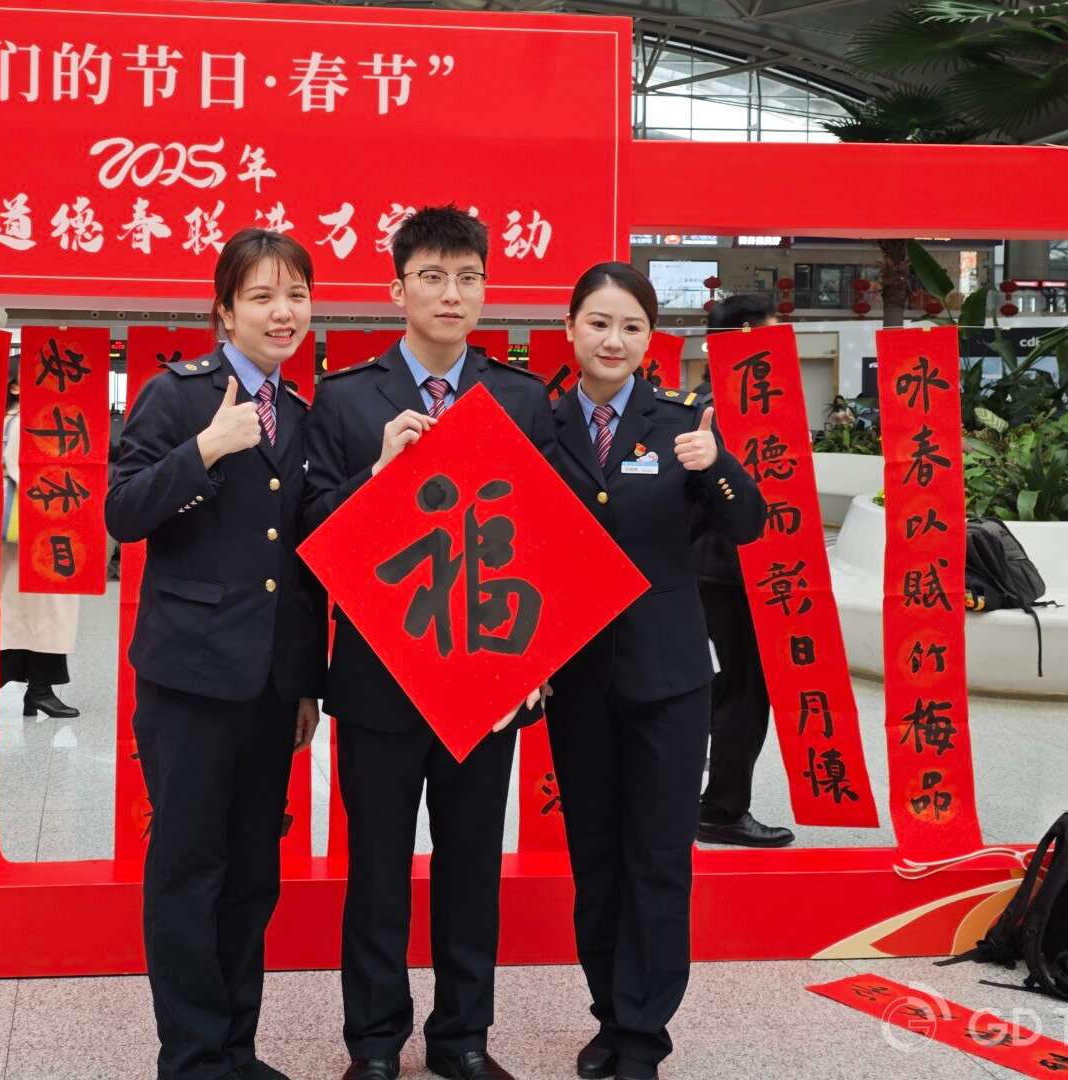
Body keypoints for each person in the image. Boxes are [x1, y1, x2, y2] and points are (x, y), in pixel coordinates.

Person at [303, 205, 552, 1080]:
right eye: (434, 276)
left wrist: (535, 666)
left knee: (470, 868)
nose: (454, 294)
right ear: (397, 288)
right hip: (378, 677)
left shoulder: (522, 398)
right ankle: (372, 1044)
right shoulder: (344, 399)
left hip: (485, 677)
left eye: (470, 277)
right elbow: (313, 539)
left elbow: (548, 542)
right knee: (375, 869)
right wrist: (377, 478)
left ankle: (462, 1039)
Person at [109, 227, 325, 1080]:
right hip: (191, 678)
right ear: (225, 309)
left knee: (251, 878)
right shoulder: (175, 395)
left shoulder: (301, 413)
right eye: (264, 296)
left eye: (297, 295)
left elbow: (301, 564)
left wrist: (305, 683)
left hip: (271, 685)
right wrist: (203, 450)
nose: (284, 313)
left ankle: (237, 1046)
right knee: (189, 872)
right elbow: (122, 513)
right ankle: (193, 1057)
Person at [541, 264, 765, 1080]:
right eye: (598, 323)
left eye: (630, 326)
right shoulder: (541, 422)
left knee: (659, 860)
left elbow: (748, 522)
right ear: (571, 331)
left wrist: (716, 462)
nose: (613, 340)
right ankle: (609, 1013)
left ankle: (644, 1034)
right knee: (596, 859)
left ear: (649, 339)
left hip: (669, 679)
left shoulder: (680, 424)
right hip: (576, 679)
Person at [691, 293, 794, 848]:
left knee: (722, 690)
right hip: (737, 572)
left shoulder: (709, 399)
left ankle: (705, 794)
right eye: (775, 334)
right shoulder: (738, 408)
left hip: (717, 570)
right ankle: (723, 808)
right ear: (752, 337)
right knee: (744, 694)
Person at [0, 379, 82, 718]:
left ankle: (36, 690)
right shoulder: (23, 421)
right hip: (35, 528)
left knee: (20, 614)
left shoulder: (1, 419)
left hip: (15, 532)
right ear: (17, 386)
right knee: (45, 612)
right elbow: (30, 472)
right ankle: (37, 690)